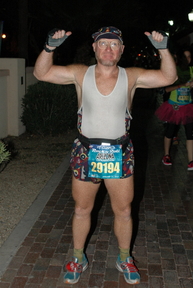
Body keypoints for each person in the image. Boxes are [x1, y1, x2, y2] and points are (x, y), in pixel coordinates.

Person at [33, 26, 177, 285]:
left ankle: (124, 257)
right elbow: (41, 73)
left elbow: (168, 77)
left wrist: (164, 49)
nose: (108, 48)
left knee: (123, 210)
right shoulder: (80, 73)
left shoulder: (131, 76)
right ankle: (78, 258)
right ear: (94, 48)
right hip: (86, 150)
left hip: (119, 152)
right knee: (81, 208)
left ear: (121, 50)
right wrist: (49, 47)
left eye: (114, 44)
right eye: (103, 43)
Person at [155, 48, 193, 170]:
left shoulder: (191, 69)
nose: (188, 59)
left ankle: (191, 161)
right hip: (174, 106)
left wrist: (192, 86)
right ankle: (166, 155)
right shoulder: (175, 70)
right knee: (170, 131)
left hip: (187, 106)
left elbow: (189, 88)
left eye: (189, 57)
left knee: (190, 134)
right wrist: (182, 85)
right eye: (185, 56)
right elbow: (166, 89)